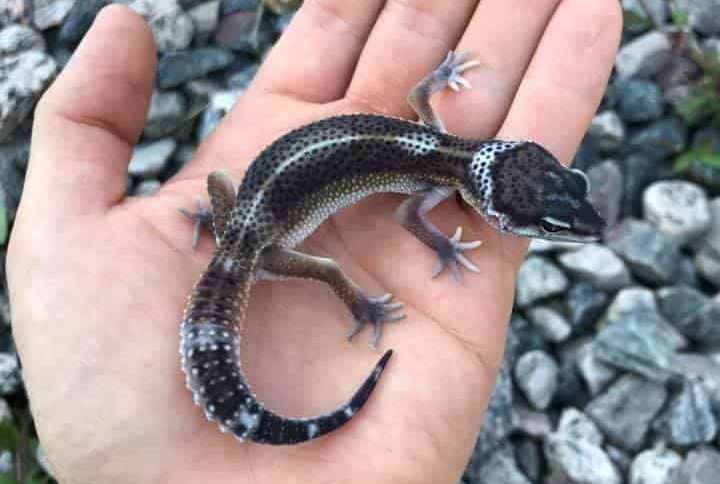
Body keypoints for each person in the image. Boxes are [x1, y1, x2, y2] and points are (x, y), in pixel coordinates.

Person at [7, 2, 621, 482]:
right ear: (496, 209)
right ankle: (357, 304)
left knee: (228, 193)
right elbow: (410, 216)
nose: (557, 235)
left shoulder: (432, 149)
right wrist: (430, 254)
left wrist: (439, 77)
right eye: (543, 227)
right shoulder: (432, 180)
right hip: (264, 246)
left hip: (241, 214)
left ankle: (210, 219)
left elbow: (417, 98)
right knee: (327, 267)